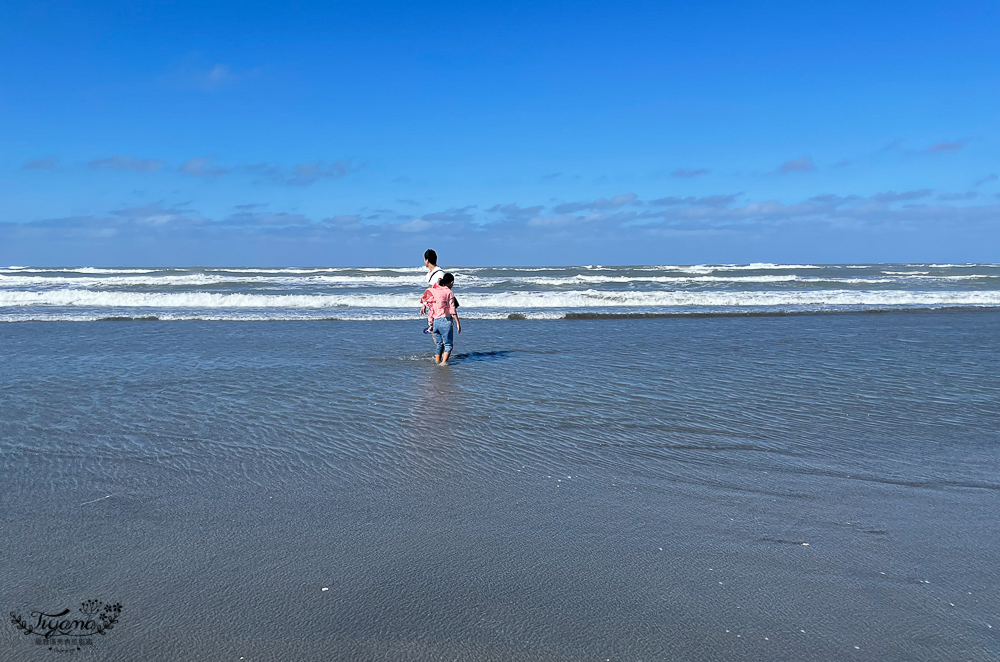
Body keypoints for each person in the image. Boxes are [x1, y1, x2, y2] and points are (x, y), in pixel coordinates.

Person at [419, 272, 461, 365]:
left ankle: (437, 362)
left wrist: (423, 306)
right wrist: (458, 323)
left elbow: (427, 297)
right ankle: (443, 364)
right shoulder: (449, 292)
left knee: (439, 344)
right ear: (451, 282)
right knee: (448, 345)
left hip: (435, 322)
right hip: (445, 321)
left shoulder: (435, 290)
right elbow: (452, 309)